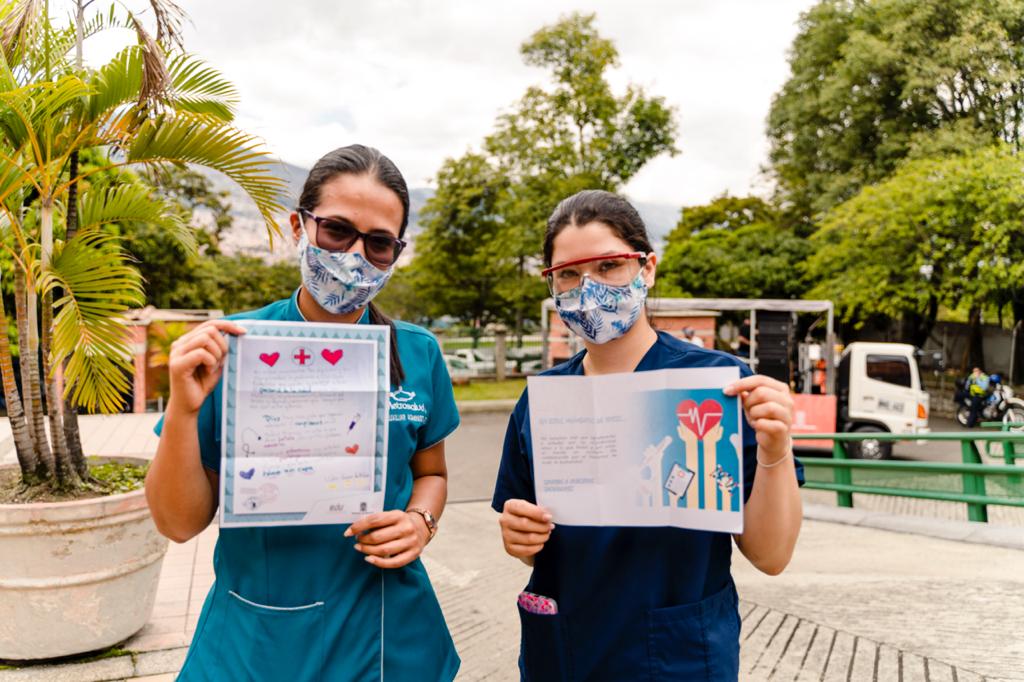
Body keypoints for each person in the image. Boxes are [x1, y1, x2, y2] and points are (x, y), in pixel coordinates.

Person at [145, 145, 461, 681]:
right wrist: (181, 410)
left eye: (379, 243)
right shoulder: (233, 349)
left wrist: (420, 522)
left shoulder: (418, 353)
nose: (356, 255)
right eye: (337, 231)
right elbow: (178, 524)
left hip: (391, 636)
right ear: (300, 225)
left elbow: (432, 473)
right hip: (262, 640)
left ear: (396, 252)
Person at [493, 190, 803, 681]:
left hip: (677, 656)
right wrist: (520, 537)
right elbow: (533, 541)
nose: (588, 288)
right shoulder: (544, 401)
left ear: (647, 268)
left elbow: (771, 556)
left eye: (609, 266)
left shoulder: (717, 387)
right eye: (568, 274)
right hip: (566, 652)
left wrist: (775, 449)